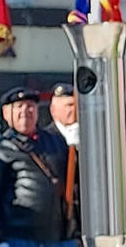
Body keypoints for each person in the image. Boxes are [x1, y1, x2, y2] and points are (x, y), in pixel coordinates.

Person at [0, 86, 76, 247]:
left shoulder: (55, 141)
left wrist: (77, 149)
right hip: (18, 237)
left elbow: (74, 179)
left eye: (30, 106)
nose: (25, 111)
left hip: (57, 237)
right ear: (6, 113)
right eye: (19, 106)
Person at [45, 82, 81, 242]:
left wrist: (80, 148)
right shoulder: (46, 139)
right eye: (68, 105)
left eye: (74, 105)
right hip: (58, 219)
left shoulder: (88, 137)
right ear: (53, 110)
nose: (72, 110)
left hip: (83, 219)